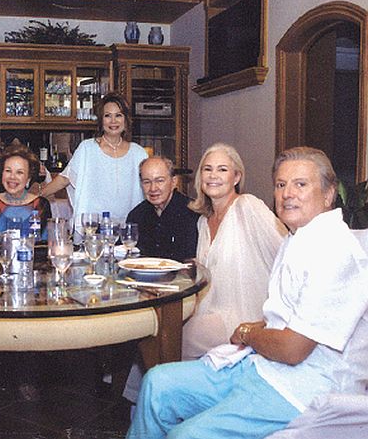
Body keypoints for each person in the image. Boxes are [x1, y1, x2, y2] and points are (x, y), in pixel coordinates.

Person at [127, 146, 368, 439]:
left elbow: (293, 349)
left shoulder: (334, 250)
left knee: (186, 434)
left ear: (329, 194)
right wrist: (259, 327)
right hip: (263, 366)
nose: (287, 193)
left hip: (301, 387)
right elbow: (293, 314)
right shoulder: (299, 238)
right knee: (156, 383)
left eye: (300, 184)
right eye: (281, 185)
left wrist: (247, 333)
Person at [183, 143, 287, 359]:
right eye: (207, 169)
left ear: (236, 177)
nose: (213, 175)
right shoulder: (203, 222)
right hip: (210, 314)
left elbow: (286, 251)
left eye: (222, 169)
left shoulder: (247, 207)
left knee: (179, 338)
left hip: (246, 319)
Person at [40, 93, 147, 237]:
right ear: (101, 120)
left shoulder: (138, 153)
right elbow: (66, 178)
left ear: (126, 120)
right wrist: (36, 197)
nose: (113, 121)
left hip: (128, 229)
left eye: (119, 115)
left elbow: (150, 187)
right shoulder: (87, 148)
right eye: (107, 115)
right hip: (92, 228)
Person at [126, 156, 199, 261]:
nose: (153, 188)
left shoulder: (192, 213)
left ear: (174, 182)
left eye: (159, 181)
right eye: (147, 182)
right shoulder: (136, 215)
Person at [0, 144, 52, 239]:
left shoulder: (40, 205)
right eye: (8, 171)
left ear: (29, 177)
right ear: (2, 173)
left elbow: (45, 244)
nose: (12, 177)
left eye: (19, 172)